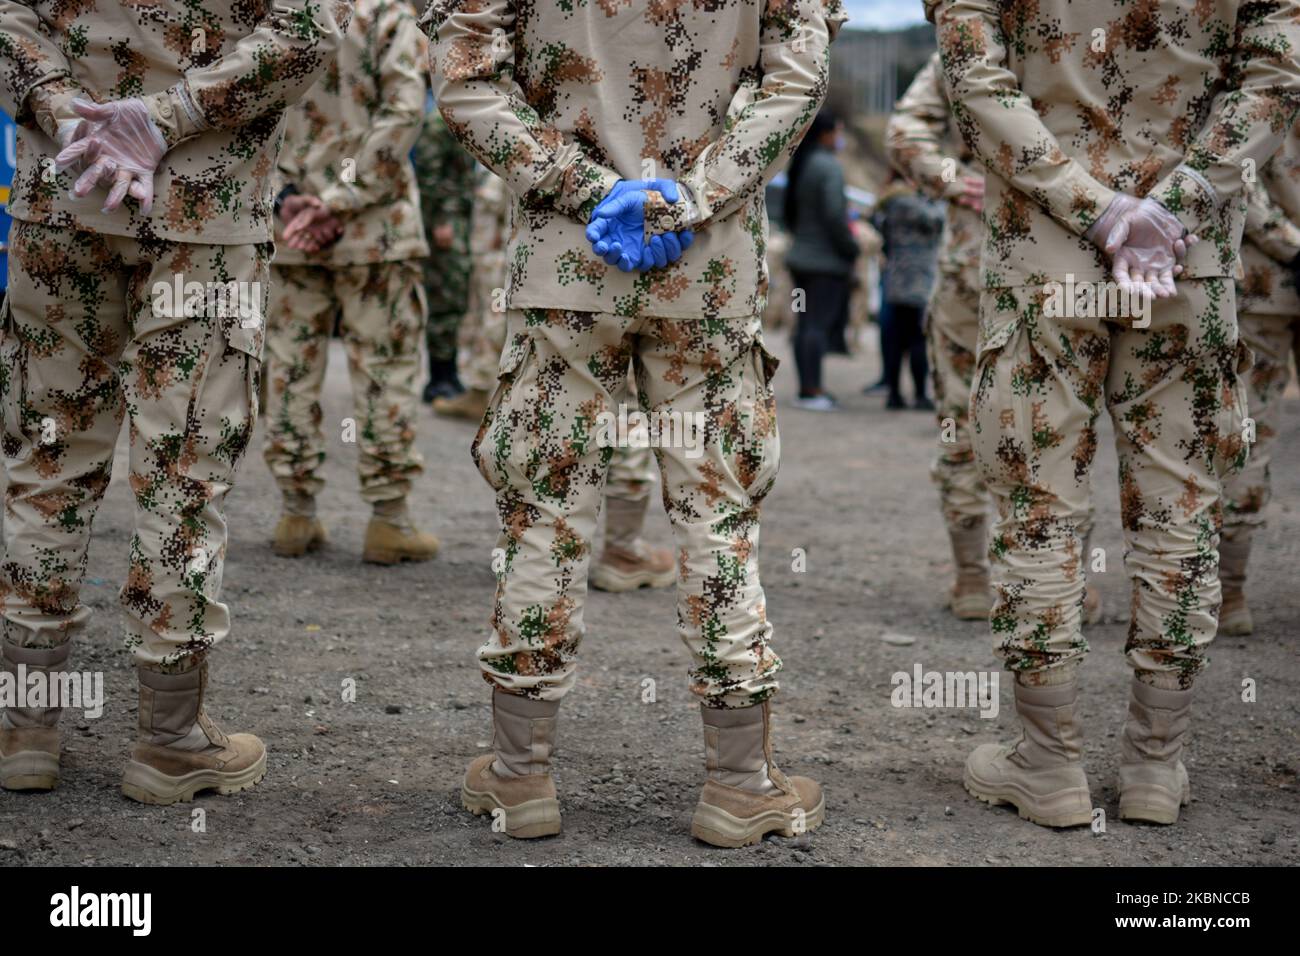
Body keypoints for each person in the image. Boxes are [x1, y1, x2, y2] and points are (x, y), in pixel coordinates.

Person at [426, 0, 846, 846]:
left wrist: (595, 190)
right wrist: (691, 197)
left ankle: (520, 775)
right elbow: (794, 82)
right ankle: (738, 783)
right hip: (708, 269)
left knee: (542, 510)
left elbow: (468, 82)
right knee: (716, 513)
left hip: (567, 262)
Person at [927, 0, 1300, 827]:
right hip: (1185, 263)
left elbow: (971, 71)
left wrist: (1093, 206)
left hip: (1045, 253)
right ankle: (1155, 768)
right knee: (1179, 508)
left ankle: (1049, 762)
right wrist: (1177, 205)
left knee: (1039, 507)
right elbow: (1276, 73)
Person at [0, 0, 346, 802]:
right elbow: (306, 27)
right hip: (206, 211)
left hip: (66, 189)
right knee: (184, 470)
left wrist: (70, 114)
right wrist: (165, 118)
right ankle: (168, 742)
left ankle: (26, 730)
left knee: (47, 460)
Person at [886, 52, 1102, 623]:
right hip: (1063, 263)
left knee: (965, 420)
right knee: (1064, 424)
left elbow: (905, 134)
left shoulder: (969, 41)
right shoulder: (1079, 34)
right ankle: (1049, 578)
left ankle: (976, 580)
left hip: (985, 266)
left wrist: (957, 179)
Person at [264, 0, 440, 566]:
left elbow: (247, 108)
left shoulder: (277, 10)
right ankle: (389, 520)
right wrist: (343, 199)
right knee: (384, 367)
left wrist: (292, 201)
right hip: (375, 230)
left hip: (290, 225)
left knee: (290, 365)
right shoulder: (386, 13)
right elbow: (404, 111)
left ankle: (296, 513)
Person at [1221, 132, 1300, 635]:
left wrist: (1287, 244)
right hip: (1268, 286)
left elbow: (1234, 175)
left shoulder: (1265, 67)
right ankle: (1229, 592)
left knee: (1251, 434)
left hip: (1265, 282)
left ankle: (1230, 594)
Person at [785, 110, 859, 411]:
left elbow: (791, 214)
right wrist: (850, 247)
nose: (839, 139)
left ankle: (806, 388)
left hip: (800, 260)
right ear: (826, 134)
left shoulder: (802, 164)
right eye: (837, 132)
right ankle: (813, 391)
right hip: (824, 264)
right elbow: (834, 215)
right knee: (816, 325)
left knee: (804, 324)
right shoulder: (829, 167)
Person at [412, 98, 476, 404]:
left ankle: (448, 373)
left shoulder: (461, 119)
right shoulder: (439, 124)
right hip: (444, 222)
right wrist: (439, 220)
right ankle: (439, 377)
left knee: (455, 293)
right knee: (444, 295)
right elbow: (428, 175)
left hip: (459, 217)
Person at [871, 171, 943, 410]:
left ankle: (894, 394)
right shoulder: (910, 203)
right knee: (916, 340)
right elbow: (938, 220)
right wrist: (937, 197)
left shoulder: (888, 203)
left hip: (895, 278)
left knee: (895, 340)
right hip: (919, 282)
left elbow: (878, 226)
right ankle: (920, 394)